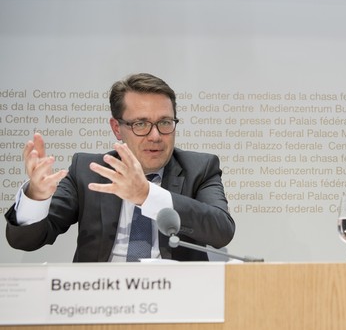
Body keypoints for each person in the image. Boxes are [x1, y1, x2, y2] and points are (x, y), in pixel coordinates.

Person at [5, 73, 235, 262]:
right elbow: (26, 241)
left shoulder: (200, 168)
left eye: (165, 122)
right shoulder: (87, 170)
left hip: (175, 298)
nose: (155, 136)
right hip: (98, 299)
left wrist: (147, 195)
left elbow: (221, 231)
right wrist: (36, 196)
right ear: (117, 128)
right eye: (141, 124)